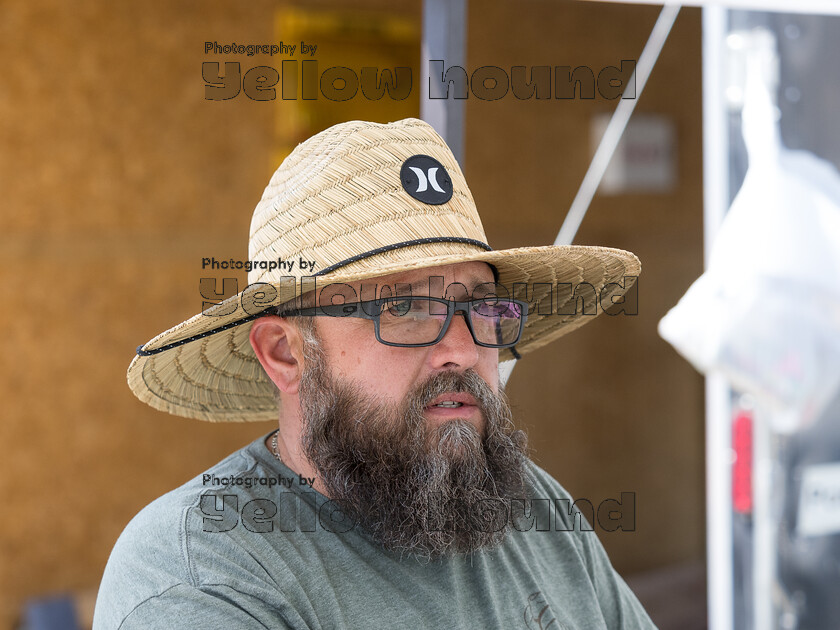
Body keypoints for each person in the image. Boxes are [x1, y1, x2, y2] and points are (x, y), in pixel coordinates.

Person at [94, 118, 653, 629]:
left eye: (480, 307)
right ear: (287, 353)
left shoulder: (533, 511)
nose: (461, 349)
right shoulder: (202, 570)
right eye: (406, 308)